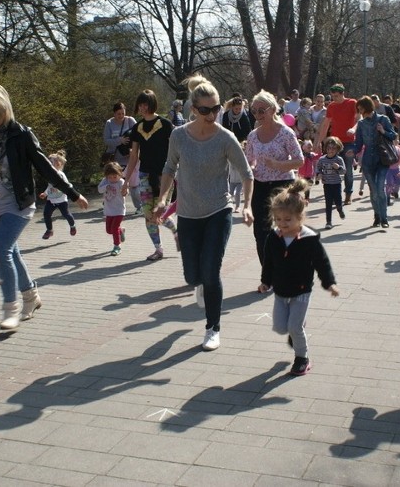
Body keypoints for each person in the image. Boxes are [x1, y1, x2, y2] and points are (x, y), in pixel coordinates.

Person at [0, 83, 89, 330]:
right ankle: (31, 297)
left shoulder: (21, 134)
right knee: (10, 252)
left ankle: (10, 309)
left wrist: (73, 193)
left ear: (4, 107)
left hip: (19, 204)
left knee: (0, 251)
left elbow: (45, 166)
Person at [156, 74, 254, 352]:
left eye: (216, 108)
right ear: (193, 110)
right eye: (205, 110)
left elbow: (247, 174)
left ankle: (213, 328)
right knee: (192, 275)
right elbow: (168, 169)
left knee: (212, 271)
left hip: (217, 211)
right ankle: (200, 284)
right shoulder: (179, 136)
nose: (212, 114)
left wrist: (246, 205)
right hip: (187, 213)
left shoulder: (226, 138)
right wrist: (163, 198)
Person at [258, 180, 339, 376]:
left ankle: (302, 358)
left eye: (287, 220)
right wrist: (265, 281)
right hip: (280, 290)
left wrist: (329, 284)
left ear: (300, 217)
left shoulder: (309, 240)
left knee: (294, 327)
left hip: (301, 291)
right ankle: (297, 329)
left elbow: (322, 263)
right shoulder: (273, 238)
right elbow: (268, 261)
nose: (282, 224)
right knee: (279, 327)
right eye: (278, 219)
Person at [245, 90, 303, 264]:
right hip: (260, 185)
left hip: (283, 185)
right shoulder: (253, 135)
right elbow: (249, 162)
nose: (257, 115)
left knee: (286, 228)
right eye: (254, 111)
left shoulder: (285, 133)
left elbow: (299, 160)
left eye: (261, 110)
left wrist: (278, 165)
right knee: (261, 232)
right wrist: (251, 168)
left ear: (272, 109)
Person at [121, 90, 179, 261]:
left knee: (159, 213)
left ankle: (176, 232)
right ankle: (158, 249)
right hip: (145, 175)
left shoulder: (165, 124)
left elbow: (176, 150)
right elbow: (133, 157)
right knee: (148, 214)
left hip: (165, 175)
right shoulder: (137, 128)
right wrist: (125, 181)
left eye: (145, 104)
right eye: (140, 104)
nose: (142, 107)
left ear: (152, 104)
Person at [350, 95, 397, 228]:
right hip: (368, 161)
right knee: (373, 190)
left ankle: (384, 218)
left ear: (366, 107)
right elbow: (358, 143)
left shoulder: (383, 119)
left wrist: (383, 131)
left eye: (360, 108)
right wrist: (353, 152)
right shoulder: (361, 124)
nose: (359, 111)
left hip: (382, 158)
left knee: (380, 188)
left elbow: (393, 135)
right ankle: (377, 215)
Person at [317, 84, 358, 204]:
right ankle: (335, 194)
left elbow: (359, 119)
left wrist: (353, 129)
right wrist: (321, 142)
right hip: (335, 142)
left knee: (348, 169)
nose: (334, 98)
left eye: (336, 96)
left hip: (349, 141)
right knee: (332, 168)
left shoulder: (352, 103)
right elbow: (326, 124)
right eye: (332, 96)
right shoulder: (331, 106)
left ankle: (348, 193)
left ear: (342, 94)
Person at [39, 151, 77, 239]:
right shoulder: (49, 175)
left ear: (58, 164)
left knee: (66, 214)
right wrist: (45, 193)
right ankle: (49, 230)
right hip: (51, 200)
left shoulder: (61, 174)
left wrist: (71, 193)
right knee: (46, 214)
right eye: (48, 162)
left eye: (51, 162)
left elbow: (68, 185)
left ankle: (72, 226)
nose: (48, 164)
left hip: (62, 201)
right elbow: (49, 186)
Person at [315, 136, 346, 229]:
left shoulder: (339, 159)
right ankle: (328, 222)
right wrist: (318, 174)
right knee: (328, 203)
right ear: (326, 149)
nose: (331, 150)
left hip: (336, 184)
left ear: (337, 149)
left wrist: (338, 167)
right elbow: (318, 168)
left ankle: (340, 210)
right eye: (329, 148)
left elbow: (344, 171)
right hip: (327, 184)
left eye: (333, 148)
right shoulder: (322, 159)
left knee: (338, 201)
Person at [99, 162, 127, 256]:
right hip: (109, 210)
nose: (112, 179)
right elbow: (99, 190)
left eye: (115, 177)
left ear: (120, 174)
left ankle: (117, 246)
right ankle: (121, 230)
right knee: (109, 230)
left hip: (119, 210)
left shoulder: (121, 182)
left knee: (114, 228)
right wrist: (105, 186)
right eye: (110, 177)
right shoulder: (105, 180)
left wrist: (124, 191)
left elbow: (125, 193)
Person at [103, 102, 137, 167]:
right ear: (114, 113)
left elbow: (139, 134)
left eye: (123, 113)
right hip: (113, 160)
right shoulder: (109, 123)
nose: (121, 116)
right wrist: (120, 140)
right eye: (118, 114)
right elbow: (106, 141)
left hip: (128, 160)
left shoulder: (130, 121)